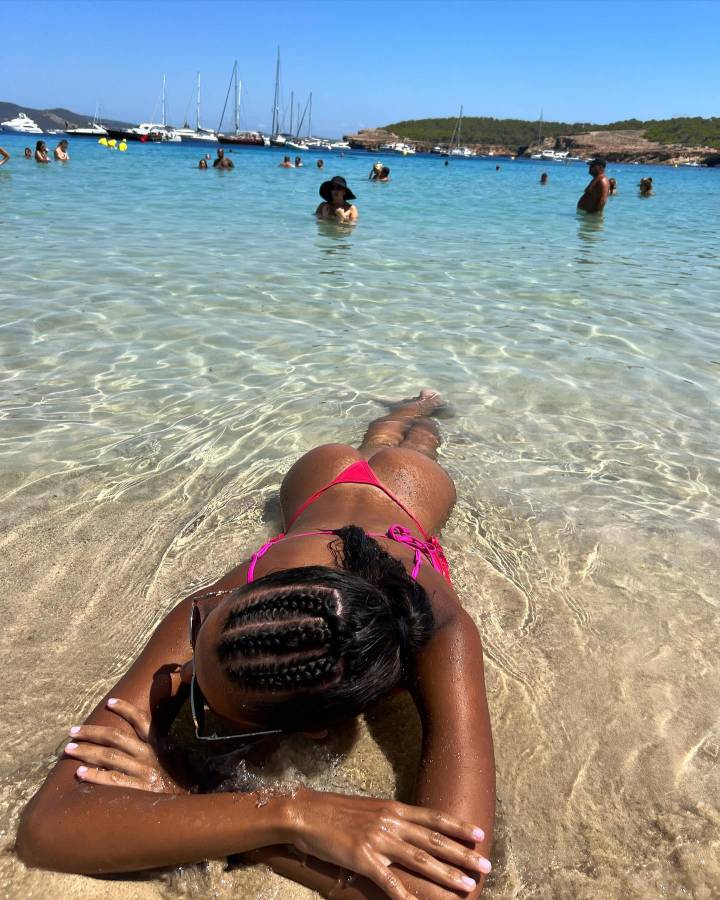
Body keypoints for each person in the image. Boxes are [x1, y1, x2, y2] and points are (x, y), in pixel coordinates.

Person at [17, 392, 495, 898]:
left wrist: (204, 794)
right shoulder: (219, 609)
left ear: (314, 731)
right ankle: (400, 414)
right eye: (197, 636)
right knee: (383, 437)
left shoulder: (445, 633)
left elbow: (447, 888)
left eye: (201, 703)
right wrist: (288, 815)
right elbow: (48, 828)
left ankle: (419, 411)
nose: (177, 676)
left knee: (417, 443)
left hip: (408, 486)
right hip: (321, 479)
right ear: (246, 595)